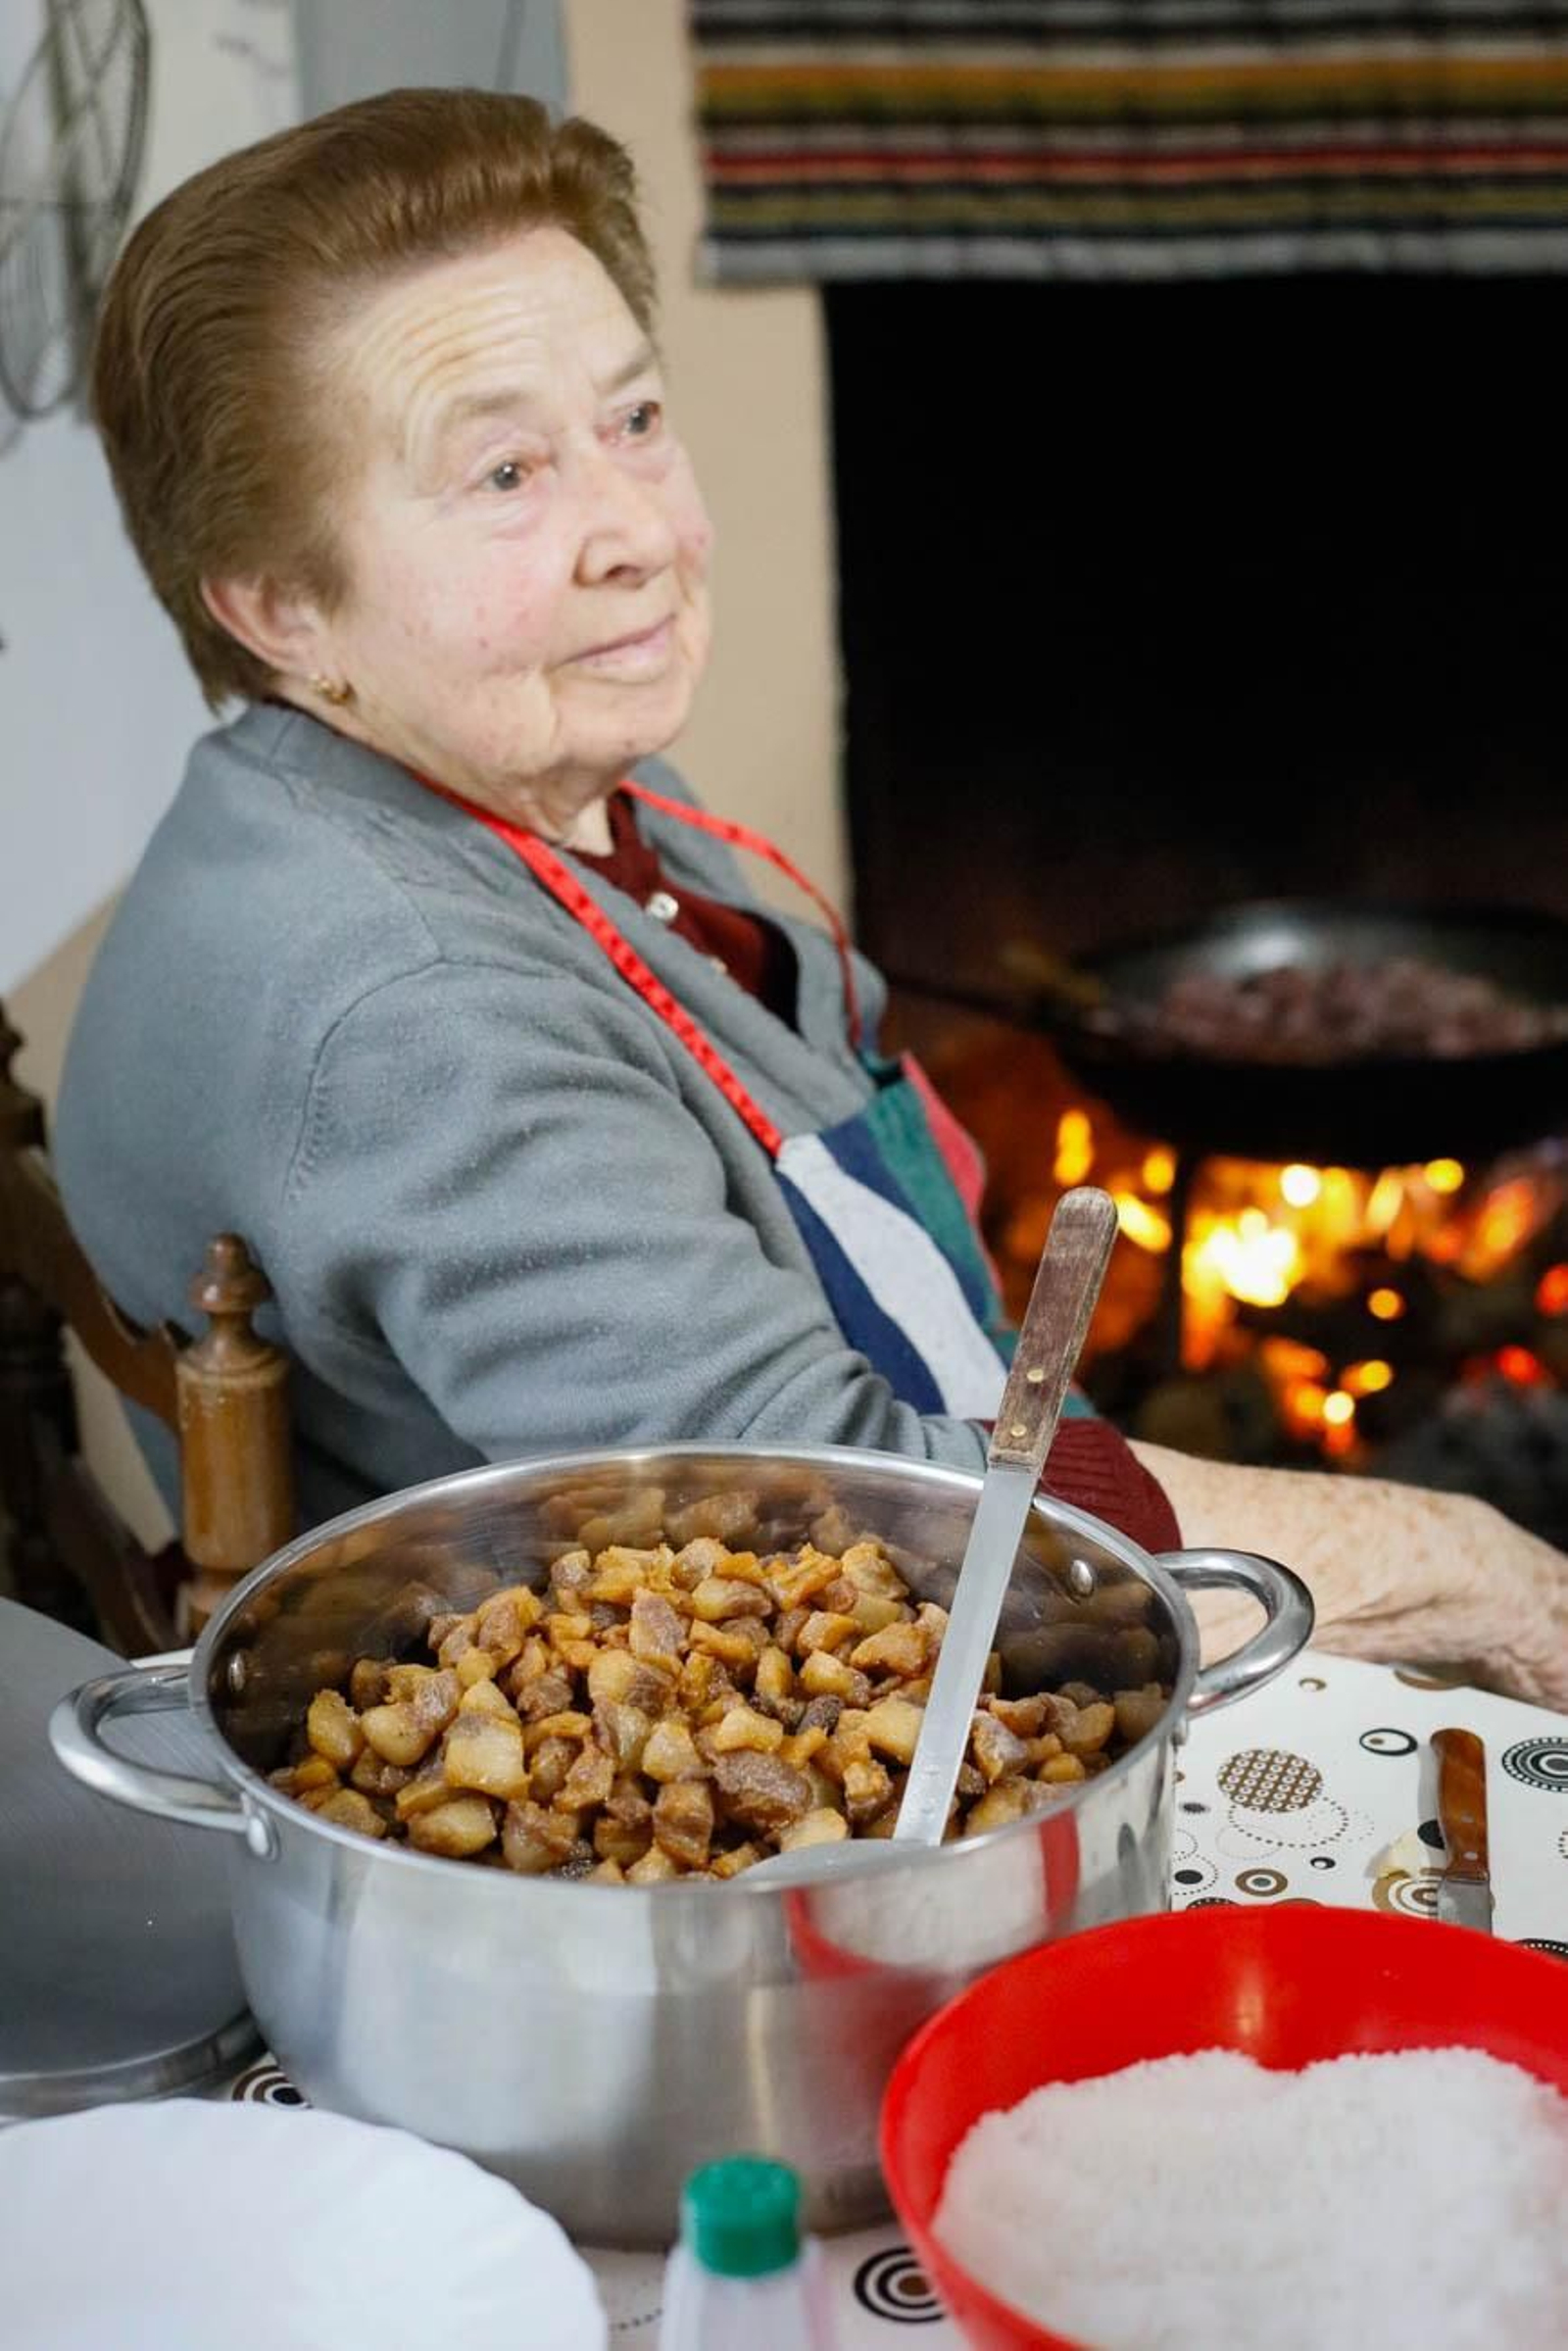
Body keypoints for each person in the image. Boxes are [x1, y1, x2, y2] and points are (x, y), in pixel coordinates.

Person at [57, 89, 1565, 1710]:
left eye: (632, 422)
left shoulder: (514, 766)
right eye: (503, 472)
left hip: (905, 1522)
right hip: (776, 1721)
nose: (635, 532)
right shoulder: (415, 1012)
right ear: (281, 604)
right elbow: (849, 1532)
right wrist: (1467, 1562)